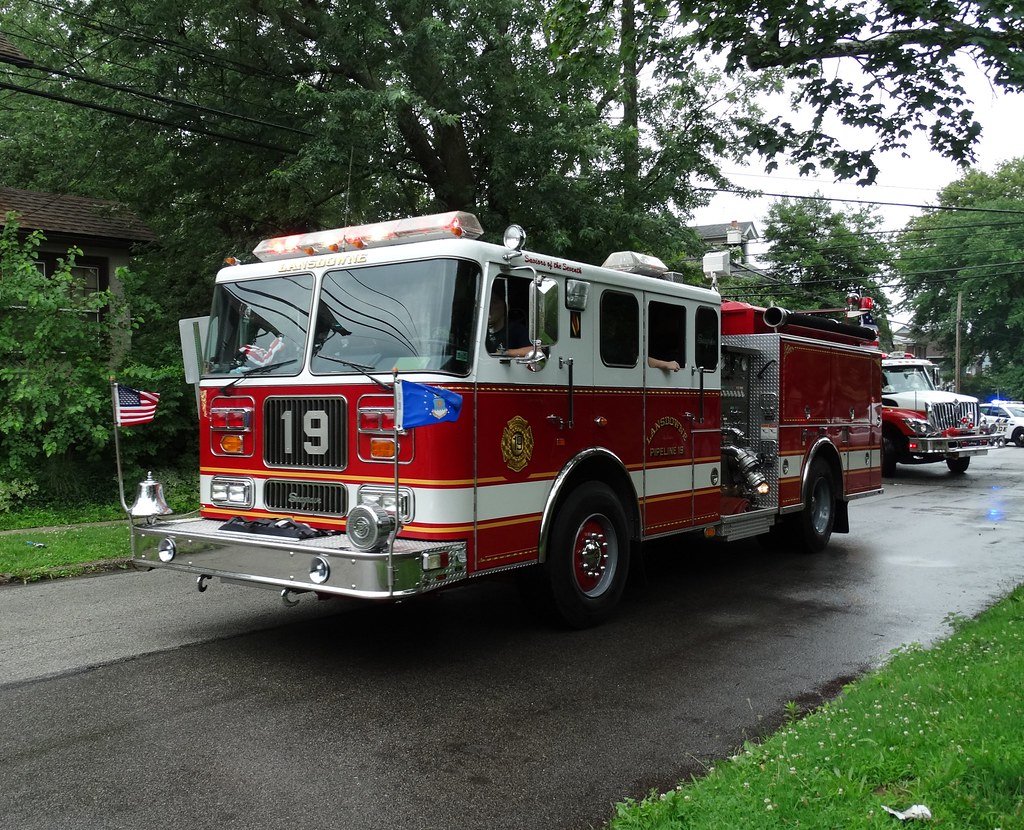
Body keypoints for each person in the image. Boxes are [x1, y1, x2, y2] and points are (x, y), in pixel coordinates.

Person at [486, 289, 532, 357]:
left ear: (506, 307)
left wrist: (505, 353)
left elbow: (534, 351)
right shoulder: (477, 330)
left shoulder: (516, 330)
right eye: (487, 302)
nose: (489, 307)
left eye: (494, 302)